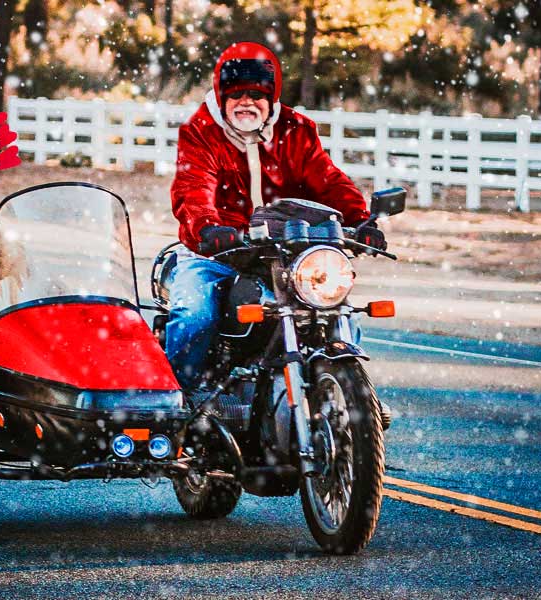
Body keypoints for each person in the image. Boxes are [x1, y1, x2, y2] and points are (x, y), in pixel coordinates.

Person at [166, 41, 388, 388]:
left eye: (257, 94)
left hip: (287, 253)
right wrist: (208, 226)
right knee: (195, 315)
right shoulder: (201, 132)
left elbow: (328, 179)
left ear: (271, 97)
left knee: (338, 312)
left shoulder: (296, 129)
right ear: (222, 97)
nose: (246, 102)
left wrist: (360, 219)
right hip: (217, 252)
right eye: (236, 94)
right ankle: (179, 398)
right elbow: (194, 186)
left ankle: (351, 395)